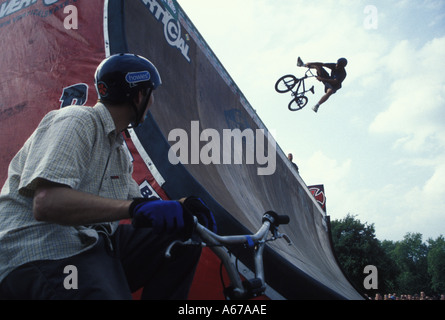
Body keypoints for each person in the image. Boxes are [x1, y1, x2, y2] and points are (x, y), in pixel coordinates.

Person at [0, 53, 215, 300]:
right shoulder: (76, 120)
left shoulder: (119, 152)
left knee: (180, 238)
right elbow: (47, 203)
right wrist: (135, 208)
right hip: (40, 250)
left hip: (87, 246)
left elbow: (142, 207)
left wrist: (183, 207)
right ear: (138, 96)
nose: (152, 101)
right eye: (151, 93)